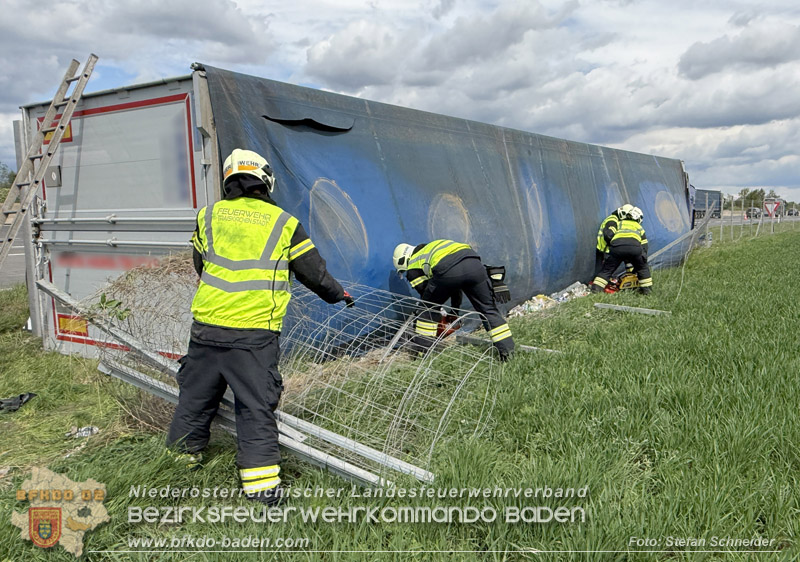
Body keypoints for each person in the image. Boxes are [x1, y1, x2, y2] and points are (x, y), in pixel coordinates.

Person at [167, 148, 354, 505]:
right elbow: (313, 273)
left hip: (206, 328)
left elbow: (200, 264)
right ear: (266, 179)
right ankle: (263, 493)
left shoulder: (209, 216)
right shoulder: (283, 223)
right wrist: (337, 295)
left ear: (228, 179)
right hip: (253, 335)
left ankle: (176, 469)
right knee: (254, 409)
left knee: (193, 401)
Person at [393, 240, 515, 361]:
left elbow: (428, 298)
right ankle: (508, 353)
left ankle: (422, 355)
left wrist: (436, 310)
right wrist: (454, 310)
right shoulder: (433, 247)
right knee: (488, 310)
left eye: (403, 270)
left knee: (426, 311)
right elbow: (456, 284)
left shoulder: (414, 264)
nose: (406, 273)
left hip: (448, 270)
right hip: (473, 262)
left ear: (403, 260)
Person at [591, 206, 653, 295]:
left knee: (607, 270)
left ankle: (596, 289)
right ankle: (647, 291)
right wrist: (642, 259)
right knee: (643, 269)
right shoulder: (639, 227)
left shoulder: (619, 223)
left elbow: (610, 234)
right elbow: (644, 244)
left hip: (616, 248)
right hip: (634, 248)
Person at [594, 204, 633, 280]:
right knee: (605, 272)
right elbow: (608, 235)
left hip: (609, 249)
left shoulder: (616, 220)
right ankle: (599, 287)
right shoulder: (613, 220)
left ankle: (631, 277)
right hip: (606, 250)